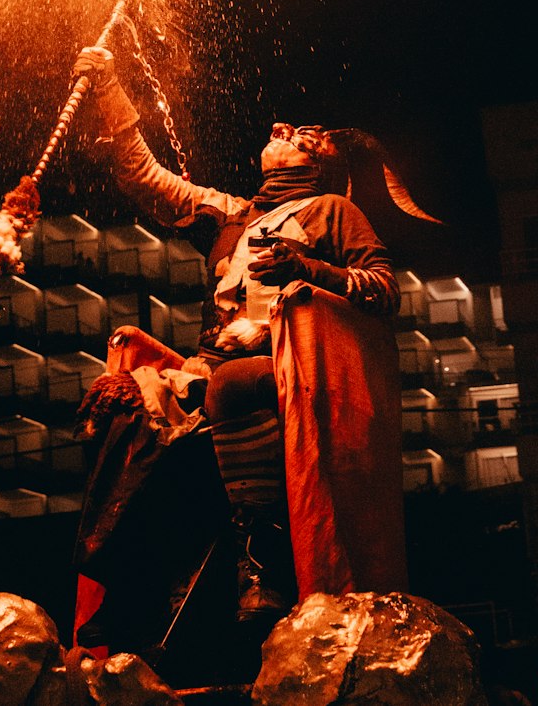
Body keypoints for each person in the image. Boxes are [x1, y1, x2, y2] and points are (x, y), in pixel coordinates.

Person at [71, 46, 438, 637]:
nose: (278, 129)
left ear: (320, 163)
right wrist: (109, 87)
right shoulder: (230, 216)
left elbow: (384, 291)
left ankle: (259, 561)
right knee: (116, 402)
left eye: (297, 134)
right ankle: (132, 584)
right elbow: (147, 178)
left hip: (290, 368)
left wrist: (309, 269)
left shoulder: (334, 211)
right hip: (205, 368)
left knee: (237, 382)